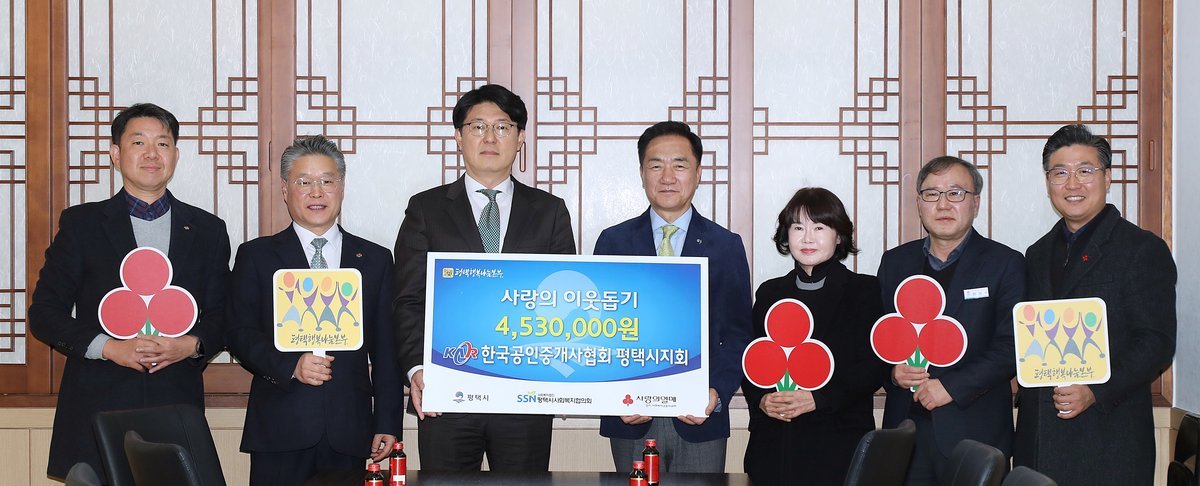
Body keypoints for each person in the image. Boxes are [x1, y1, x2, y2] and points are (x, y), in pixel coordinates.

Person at [27, 103, 230, 481]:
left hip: (175, 402)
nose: (152, 153)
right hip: (97, 399)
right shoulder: (82, 224)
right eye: (139, 142)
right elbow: (45, 313)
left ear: (176, 155)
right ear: (116, 154)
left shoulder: (207, 229)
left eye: (162, 144)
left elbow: (223, 312)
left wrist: (190, 345)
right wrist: (109, 347)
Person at [392, 84, 576, 472]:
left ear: (520, 138)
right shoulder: (425, 209)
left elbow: (564, 302)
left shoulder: (550, 212)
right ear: (459, 137)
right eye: (478, 127)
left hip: (525, 394)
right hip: (447, 394)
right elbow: (408, 298)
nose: (490, 138)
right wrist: (416, 369)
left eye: (503, 127)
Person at [224, 135, 403, 484]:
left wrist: (387, 421)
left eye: (326, 181)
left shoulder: (375, 260)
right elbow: (238, 333)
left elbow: (387, 350)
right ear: (285, 189)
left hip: (349, 430)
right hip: (279, 428)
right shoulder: (256, 256)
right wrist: (291, 365)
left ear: (342, 186)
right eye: (304, 182)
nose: (316, 192)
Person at [1013, 124, 1176, 485]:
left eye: (1085, 171)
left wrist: (1095, 391)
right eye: (1060, 173)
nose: (1072, 184)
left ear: (1107, 177)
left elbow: (1156, 342)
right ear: (1048, 182)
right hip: (1038, 437)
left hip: (1107, 440)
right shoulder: (1037, 253)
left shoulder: (1141, 249)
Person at [594, 121, 753, 473]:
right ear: (642, 173)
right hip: (631, 415)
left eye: (679, 165)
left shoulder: (725, 246)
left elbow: (738, 333)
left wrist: (717, 392)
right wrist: (613, 396)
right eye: (656, 165)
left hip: (700, 417)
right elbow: (598, 331)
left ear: (697, 173)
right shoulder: (613, 242)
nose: (667, 177)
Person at [878, 156, 1024, 485]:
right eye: (932, 194)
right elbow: (880, 337)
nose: (943, 204)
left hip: (976, 433)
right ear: (919, 204)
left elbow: (1012, 346)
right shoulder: (895, 263)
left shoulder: (1006, 263)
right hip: (905, 432)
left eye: (956, 193)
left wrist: (951, 387)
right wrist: (892, 372)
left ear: (975, 203)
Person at [742, 187, 888, 485]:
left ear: (839, 236)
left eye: (819, 227)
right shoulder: (770, 293)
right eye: (798, 228)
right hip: (774, 443)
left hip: (837, 441)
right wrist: (762, 400)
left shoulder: (864, 290)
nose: (807, 238)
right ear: (786, 236)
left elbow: (874, 366)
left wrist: (818, 399)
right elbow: (750, 359)